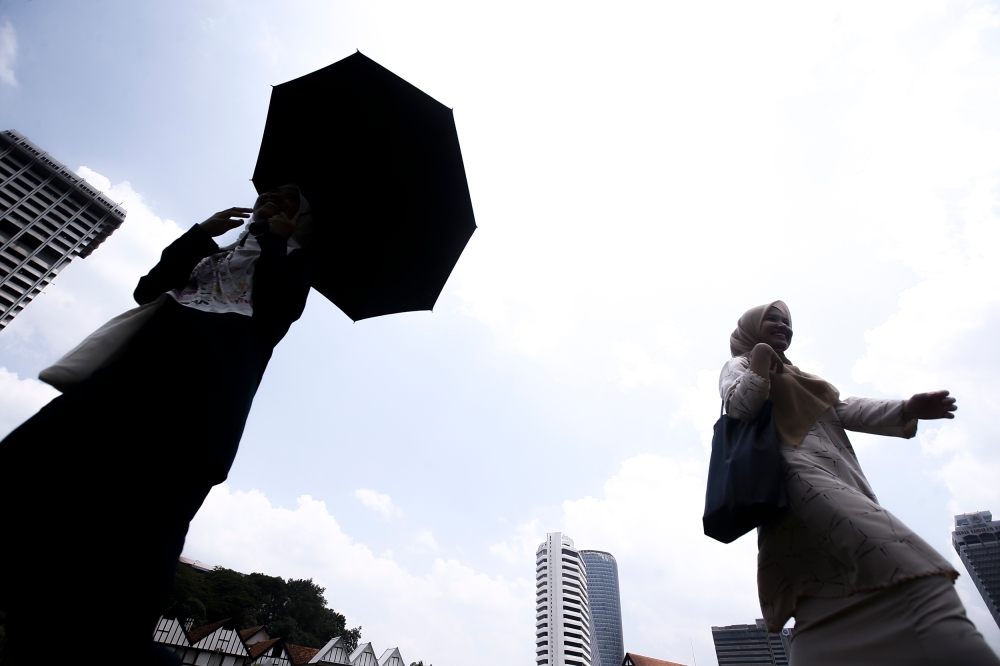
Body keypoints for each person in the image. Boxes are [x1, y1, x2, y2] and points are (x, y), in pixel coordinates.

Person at [0, 185, 313, 665]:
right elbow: (148, 289)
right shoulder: (220, 253)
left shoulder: (291, 263)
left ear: (301, 219)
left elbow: (276, 308)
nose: (272, 202)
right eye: (269, 195)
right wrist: (201, 235)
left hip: (199, 402)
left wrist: (276, 240)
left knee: (145, 532)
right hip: (129, 377)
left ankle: (114, 647)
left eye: (288, 201)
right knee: (29, 465)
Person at [720, 301, 999, 665]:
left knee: (818, 599)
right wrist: (759, 360)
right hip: (795, 479)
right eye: (772, 318)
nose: (783, 325)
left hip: (838, 482)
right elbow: (741, 407)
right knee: (904, 562)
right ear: (750, 327)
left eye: (787, 321)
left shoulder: (804, 380)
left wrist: (906, 409)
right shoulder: (740, 364)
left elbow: (846, 409)